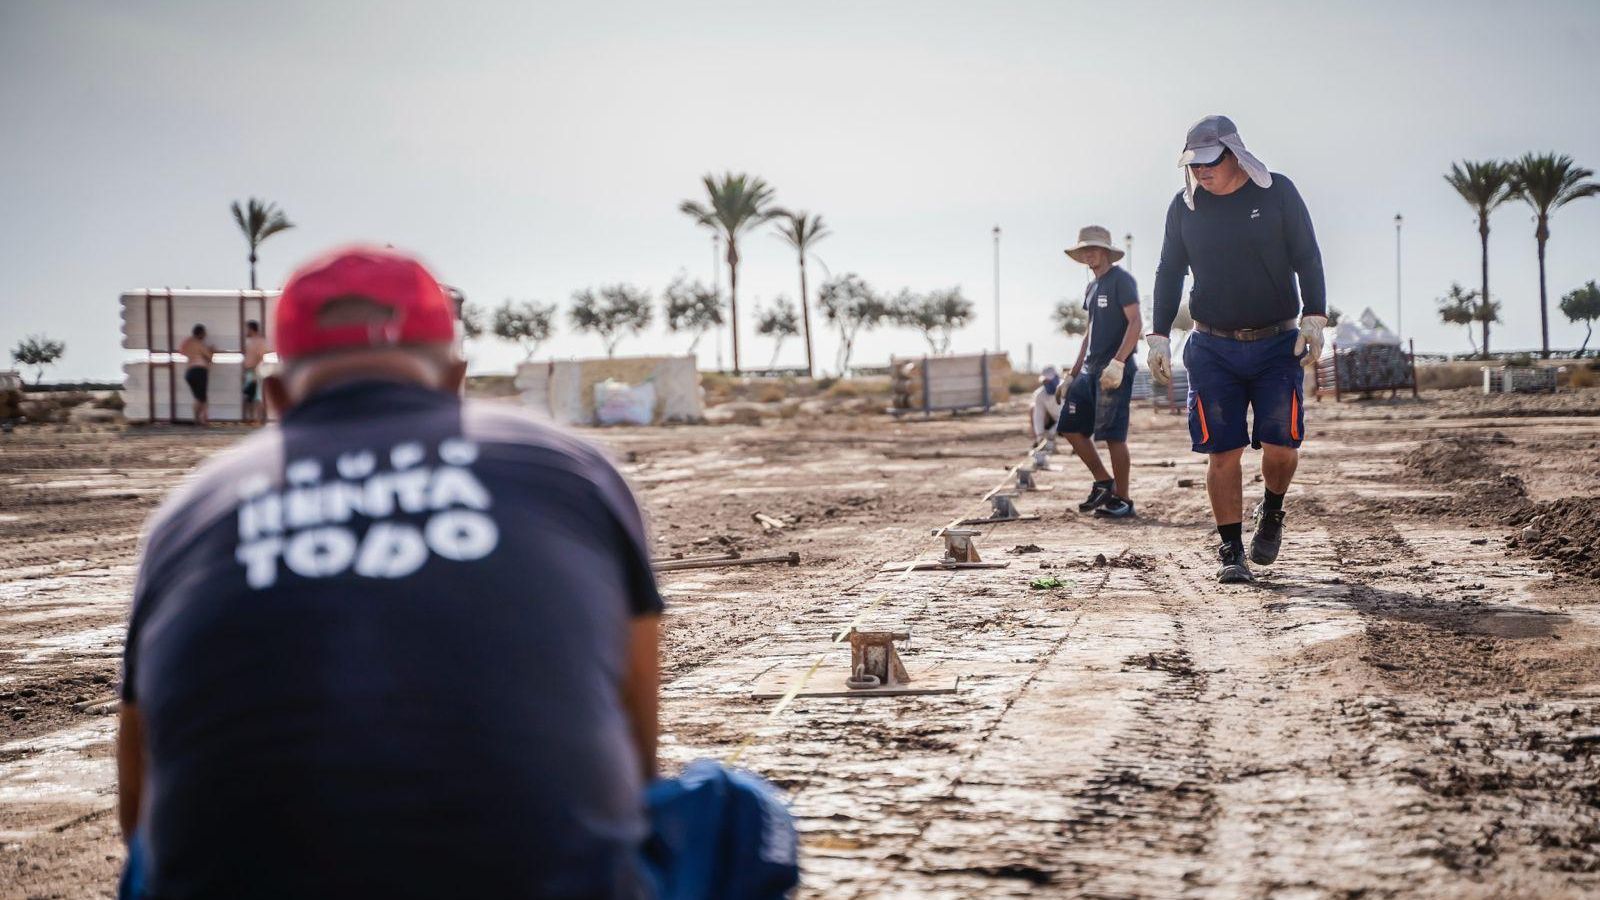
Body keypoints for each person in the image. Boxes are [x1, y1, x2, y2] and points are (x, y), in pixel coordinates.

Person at [117, 246, 668, 898]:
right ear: (456, 379)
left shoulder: (189, 513)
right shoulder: (570, 467)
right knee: (733, 811)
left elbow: (137, 793)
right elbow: (637, 745)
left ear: (275, 396)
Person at [1149, 115, 1327, 583]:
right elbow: (1169, 271)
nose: (1201, 172)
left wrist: (1315, 315)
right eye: (1193, 165)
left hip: (1276, 345)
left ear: (1235, 154)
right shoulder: (1184, 208)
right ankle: (1231, 551)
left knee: (1282, 446)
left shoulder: (1277, 194)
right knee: (1222, 452)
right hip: (1212, 347)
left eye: (1209, 162)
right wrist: (1159, 334)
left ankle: (1272, 509)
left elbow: (1307, 254)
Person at [1056, 225, 1141, 519]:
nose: (1088, 254)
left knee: (1113, 435)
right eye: (1084, 250)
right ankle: (1103, 481)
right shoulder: (1091, 287)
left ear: (1106, 251)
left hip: (1114, 369)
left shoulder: (1122, 280)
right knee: (1069, 426)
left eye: (1093, 248)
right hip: (1089, 370)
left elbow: (1135, 323)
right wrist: (1072, 372)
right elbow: (1089, 331)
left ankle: (1123, 499)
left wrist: (1118, 362)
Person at [177, 324, 214, 426]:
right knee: (202, 398)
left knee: (198, 397)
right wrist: (211, 350)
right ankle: (201, 420)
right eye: (204, 333)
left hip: (189, 372)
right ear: (201, 333)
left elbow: (182, 352)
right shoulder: (199, 343)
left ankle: (197, 419)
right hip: (200, 371)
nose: (205, 335)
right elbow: (210, 357)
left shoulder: (187, 342)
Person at [241, 319, 268, 425]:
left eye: (247, 329)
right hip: (250, 371)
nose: (245, 331)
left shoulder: (259, 341)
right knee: (249, 396)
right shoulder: (250, 341)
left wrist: (256, 371)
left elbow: (261, 357)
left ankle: (258, 419)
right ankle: (252, 418)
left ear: (251, 329)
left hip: (255, 371)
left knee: (257, 396)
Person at [1029, 365, 1063, 446]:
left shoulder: (1068, 388)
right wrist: (1040, 435)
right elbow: (1038, 416)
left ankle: (1080, 446)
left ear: (1056, 378)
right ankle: (1039, 442)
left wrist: (1053, 431)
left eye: (1049, 381)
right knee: (1032, 408)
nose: (1047, 383)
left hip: (1070, 421)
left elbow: (1069, 415)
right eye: (1045, 381)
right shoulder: (1040, 394)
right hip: (1053, 420)